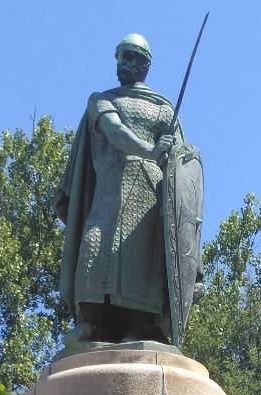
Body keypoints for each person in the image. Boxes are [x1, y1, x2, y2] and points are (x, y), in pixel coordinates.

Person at [55, 33, 183, 344]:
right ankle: (89, 322)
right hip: (107, 196)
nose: (121, 63)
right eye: (119, 57)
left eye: (129, 56)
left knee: (142, 266)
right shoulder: (102, 100)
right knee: (94, 251)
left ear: (145, 63)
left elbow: (182, 165)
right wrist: (150, 150)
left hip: (148, 203)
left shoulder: (165, 111)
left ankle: (138, 328)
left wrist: (169, 152)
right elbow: (115, 131)